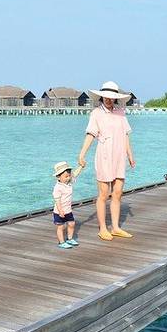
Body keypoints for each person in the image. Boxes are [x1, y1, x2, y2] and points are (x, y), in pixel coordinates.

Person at [78, 81, 135, 241]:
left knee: (117, 193)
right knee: (103, 194)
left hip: (119, 156)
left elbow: (125, 135)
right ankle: (102, 228)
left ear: (116, 98)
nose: (108, 100)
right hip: (104, 155)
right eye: (106, 97)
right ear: (101, 97)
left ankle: (115, 227)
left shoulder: (121, 112)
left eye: (111, 97)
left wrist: (130, 154)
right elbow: (91, 134)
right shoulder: (96, 113)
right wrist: (82, 154)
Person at [52, 161, 84, 249]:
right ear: (58, 177)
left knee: (72, 224)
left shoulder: (69, 183)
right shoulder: (58, 187)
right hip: (59, 211)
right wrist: (60, 211)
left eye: (69, 176)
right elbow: (57, 201)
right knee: (61, 227)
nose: (68, 178)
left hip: (68, 210)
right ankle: (61, 242)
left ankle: (69, 239)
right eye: (66, 176)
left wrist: (81, 167)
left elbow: (75, 174)